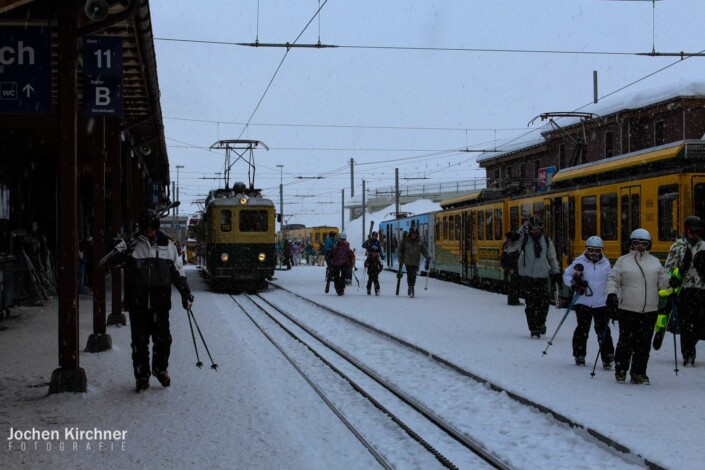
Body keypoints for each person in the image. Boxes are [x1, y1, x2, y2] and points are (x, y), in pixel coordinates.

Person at [114, 208, 194, 393]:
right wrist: (119, 247)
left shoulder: (168, 246)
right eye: (145, 228)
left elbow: (178, 272)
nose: (149, 231)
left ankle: (160, 369)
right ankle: (142, 376)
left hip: (160, 303)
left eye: (152, 227)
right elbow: (115, 263)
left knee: (163, 340)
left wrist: (185, 292)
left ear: (156, 227)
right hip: (138, 303)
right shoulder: (132, 246)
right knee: (139, 343)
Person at [606, 228, 664, 385]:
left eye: (643, 243)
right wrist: (612, 294)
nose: (640, 246)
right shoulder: (623, 261)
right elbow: (613, 280)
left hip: (650, 310)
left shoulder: (655, 262)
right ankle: (621, 369)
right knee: (626, 341)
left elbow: (663, 282)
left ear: (648, 245)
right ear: (631, 244)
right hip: (628, 309)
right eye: (636, 243)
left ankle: (639, 372)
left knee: (644, 344)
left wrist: (672, 281)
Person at [660, 215, 705, 367]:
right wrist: (675, 276)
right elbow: (667, 271)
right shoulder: (677, 247)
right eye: (692, 231)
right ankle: (688, 355)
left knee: (699, 325)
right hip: (683, 292)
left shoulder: (704, 247)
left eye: (698, 231)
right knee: (686, 325)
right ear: (686, 230)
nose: (695, 234)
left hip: (701, 291)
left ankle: (692, 343)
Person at [562, 236, 614, 368]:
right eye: (591, 250)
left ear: (601, 250)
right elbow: (566, 275)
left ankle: (607, 356)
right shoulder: (579, 262)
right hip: (583, 301)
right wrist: (574, 284)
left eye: (597, 251)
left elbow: (611, 281)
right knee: (582, 328)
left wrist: (612, 296)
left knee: (603, 330)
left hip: (600, 303)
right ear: (586, 249)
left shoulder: (606, 264)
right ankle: (579, 355)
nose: (594, 254)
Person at [513, 215, 561, 338]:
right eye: (533, 228)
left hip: (542, 277)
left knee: (543, 304)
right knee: (530, 305)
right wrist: (513, 237)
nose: (536, 231)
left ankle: (541, 323)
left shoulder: (546, 240)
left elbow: (551, 257)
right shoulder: (523, 239)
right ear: (529, 228)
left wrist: (556, 272)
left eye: (538, 228)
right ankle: (534, 328)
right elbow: (508, 248)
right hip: (527, 277)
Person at [398, 227, 432, 298]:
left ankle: (411, 287)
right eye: (413, 234)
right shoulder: (405, 241)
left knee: (414, 276)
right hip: (408, 261)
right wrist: (400, 257)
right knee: (410, 275)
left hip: (416, 262)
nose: (414, 236)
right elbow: (400, 249)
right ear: (410, 234)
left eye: (415, 234)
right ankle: (411, 288)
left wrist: (427, 257)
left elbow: (424, 250)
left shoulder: (420, 242)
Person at [501, 231, 521, 306]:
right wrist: (511, 268)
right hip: (512, 268)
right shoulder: (510, 246)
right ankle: (513, 300)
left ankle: (513, 299)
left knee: (513, 284)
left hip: (511, 267)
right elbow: (510, 257)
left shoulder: (507, 245)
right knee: (514, 284)